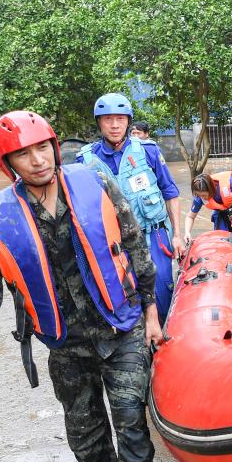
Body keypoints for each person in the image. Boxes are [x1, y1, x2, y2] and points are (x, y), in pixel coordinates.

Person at [0, 111, 165, 462]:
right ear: (8, 162)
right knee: (85, 434)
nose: (36, 160)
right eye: (23, 154)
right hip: (65, 343)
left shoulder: (96, 183)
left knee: (131, 424)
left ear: (54, 145)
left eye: (41, 147)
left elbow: (133, 244)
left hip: (120, 327)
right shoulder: (1, 215)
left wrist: (151, 312)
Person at [77, 93, 183, 323]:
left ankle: (163, 344)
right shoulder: (85, 162)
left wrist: (176, 236)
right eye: (107, 119)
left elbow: (170, 193)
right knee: (125, 298)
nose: (114, 125)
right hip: (115, 244)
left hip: (154, 235)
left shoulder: (149, 151)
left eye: (120, 119)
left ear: (128, 121)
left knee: (162, 290)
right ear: (99, 122)